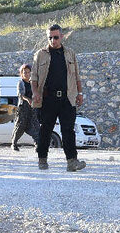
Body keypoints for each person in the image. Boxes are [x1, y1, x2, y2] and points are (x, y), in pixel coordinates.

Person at [30, 24, 86, 172]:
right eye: (50, 38)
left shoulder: (70, 53)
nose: (53, 40)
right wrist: (35, 93)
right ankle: (42, 160)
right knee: (45, 130)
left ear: (61, 36)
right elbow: (33, 77)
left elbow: (77, 76)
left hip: (67, 98)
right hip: (48, 99)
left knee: (68, 130)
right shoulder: (40, 54)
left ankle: (72, 161)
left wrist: (80, 94)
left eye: (55, 37)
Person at [12, 63, 37, 151]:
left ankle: (38, 145)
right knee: (20, 127)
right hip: (23, 108)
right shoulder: (21, 83)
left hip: (32, 109)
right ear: (21, 74)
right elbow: (21, 95)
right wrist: (28, 100)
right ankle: (14, 143)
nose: (26, 74)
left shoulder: (32, 83)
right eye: (24, 72)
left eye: (28, 72)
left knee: (35, 127)